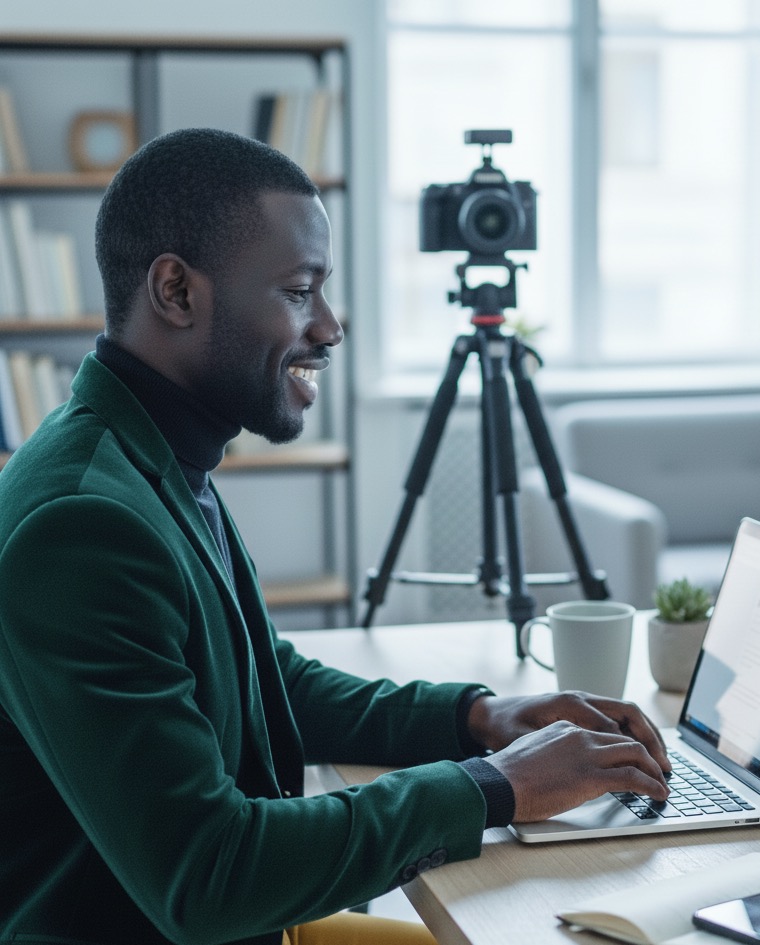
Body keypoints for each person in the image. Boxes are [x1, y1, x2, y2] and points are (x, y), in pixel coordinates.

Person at [0, 127, 670, 945]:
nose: (328, 327)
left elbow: (267, 683)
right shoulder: (82, 525)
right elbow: (208, 872)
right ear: (176, 291)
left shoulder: (152, 456)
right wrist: (492, 785)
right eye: (298, 290)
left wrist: (482, 717)